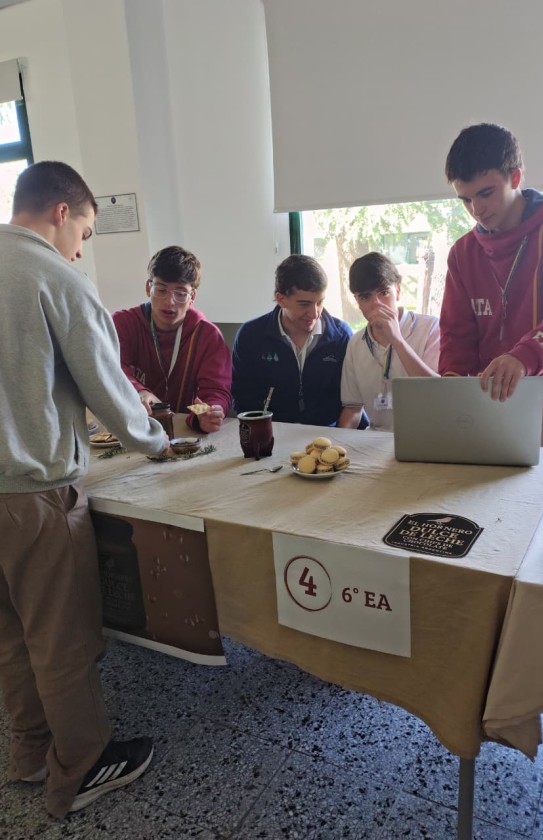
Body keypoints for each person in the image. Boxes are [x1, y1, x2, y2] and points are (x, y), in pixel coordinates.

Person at [0, 161, 171, 818]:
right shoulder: (54, 276)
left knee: (11, 636)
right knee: (59, 640)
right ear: (62, 212)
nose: (82, 247)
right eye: (87, 231)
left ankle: (28, 753)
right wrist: (156, 442)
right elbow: (112, 396)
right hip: (32, 497)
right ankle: (81, 770)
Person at [439, 123, 543, 449]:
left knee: (534, 493)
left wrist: (524, 357)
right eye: (465, 199)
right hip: (482, 394)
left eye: (486, 193)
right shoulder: (463, 253)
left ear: (515, 177)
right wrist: (452, 385)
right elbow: (456, 333)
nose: (476, 210)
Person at [112, 246, 231, 434]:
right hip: (135, 425)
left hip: (187, 430)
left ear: (192, 297)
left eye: (181, 293)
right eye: (161, 289)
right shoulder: (123, 324)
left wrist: (209, 413)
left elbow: (216, 390)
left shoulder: (207, 335)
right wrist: (139, 391)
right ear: (147, 288)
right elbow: (112, 368)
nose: (170, 302)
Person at [231, 254, 352, 426]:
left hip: (329, 435)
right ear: (281, 299)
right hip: (273, 433)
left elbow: (353, 403)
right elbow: (242, 399)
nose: (314, 313)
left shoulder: (341, 336)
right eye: (304, 304)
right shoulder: (250, 336)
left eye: (320, 302)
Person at [338, 252, 440, 431]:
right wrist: (340, 445)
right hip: (375, 441)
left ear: (398, 291)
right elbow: (353, 409)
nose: (376, 304)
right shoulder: (356, 343)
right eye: (365, 297)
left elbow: (439, 393)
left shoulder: (430, 328)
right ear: (357, 302)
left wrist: (397, 340)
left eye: (384, 292)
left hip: (426, 438)